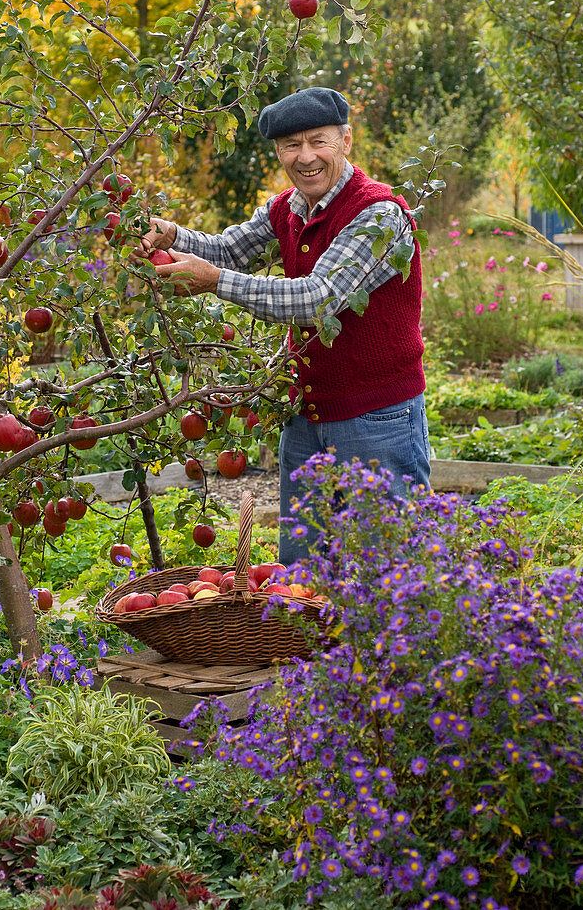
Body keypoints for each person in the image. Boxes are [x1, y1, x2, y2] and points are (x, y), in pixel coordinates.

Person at [141, 87, 430, 564]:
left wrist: (213, 281)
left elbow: (318, 298)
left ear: (346, 141)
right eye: (291, 146)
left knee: (387, 574)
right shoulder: (289, 208)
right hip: (308, 417)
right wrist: (171, 235)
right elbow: (228, 250)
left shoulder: (378, 215)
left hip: (377, 418)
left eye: (319, 141)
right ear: (278, 152)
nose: (306, 157)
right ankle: (316, 644)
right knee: (305, 573)